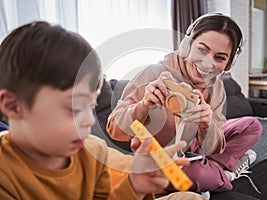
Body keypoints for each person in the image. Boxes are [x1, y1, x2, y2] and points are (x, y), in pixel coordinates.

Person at [0, 21, 206, 200]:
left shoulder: (92, 152)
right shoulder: (5, 173)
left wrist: (135, 187)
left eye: (90, 106)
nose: (89, 120)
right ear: (12, 106)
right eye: (74, 108)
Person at [106, 13, 262, 194]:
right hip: (160, 160)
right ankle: (226, 175)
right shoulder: (154, 73)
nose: (207, 63)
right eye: (202, 50)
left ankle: (212, 168)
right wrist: (143, 105)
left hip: (192, 146)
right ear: (186, 45)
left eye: (219, 58)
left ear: (228, 64)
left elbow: (214, 147)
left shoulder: (217, 87)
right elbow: (114, 130)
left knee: (253, 126)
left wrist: (206, 125)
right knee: (195, 175)